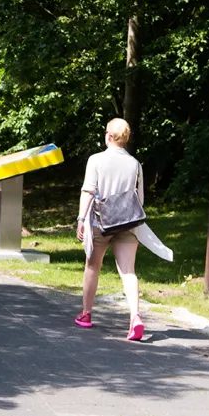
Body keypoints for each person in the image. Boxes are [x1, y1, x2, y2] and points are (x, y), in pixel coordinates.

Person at [74, 118, 172, 341]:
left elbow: (88, 191)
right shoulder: (135, 164)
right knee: (129, 271)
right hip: (128, 223)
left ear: (109, 136)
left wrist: (81, 219)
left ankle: (86, 314)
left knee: (93, 266)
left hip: (101, 223)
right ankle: (135, 316)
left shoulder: (96, 160)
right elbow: (140, 198)